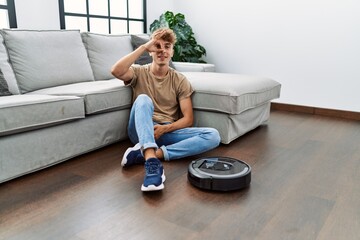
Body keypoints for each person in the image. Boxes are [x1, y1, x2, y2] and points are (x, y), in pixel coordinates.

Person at [111, 28, 220, 192]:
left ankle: (149, 155)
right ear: (151, 51)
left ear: (172, 51)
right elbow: (116, 71)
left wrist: (164, 129)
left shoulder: (179, 80)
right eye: (157, 46)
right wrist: (143, 47)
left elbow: (188, 119)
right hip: (140, 131)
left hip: (165, 132)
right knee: (143, 99)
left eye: (167, 46)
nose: (162, 51)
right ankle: (152, 163)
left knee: (213, 135)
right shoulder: (139, 72)